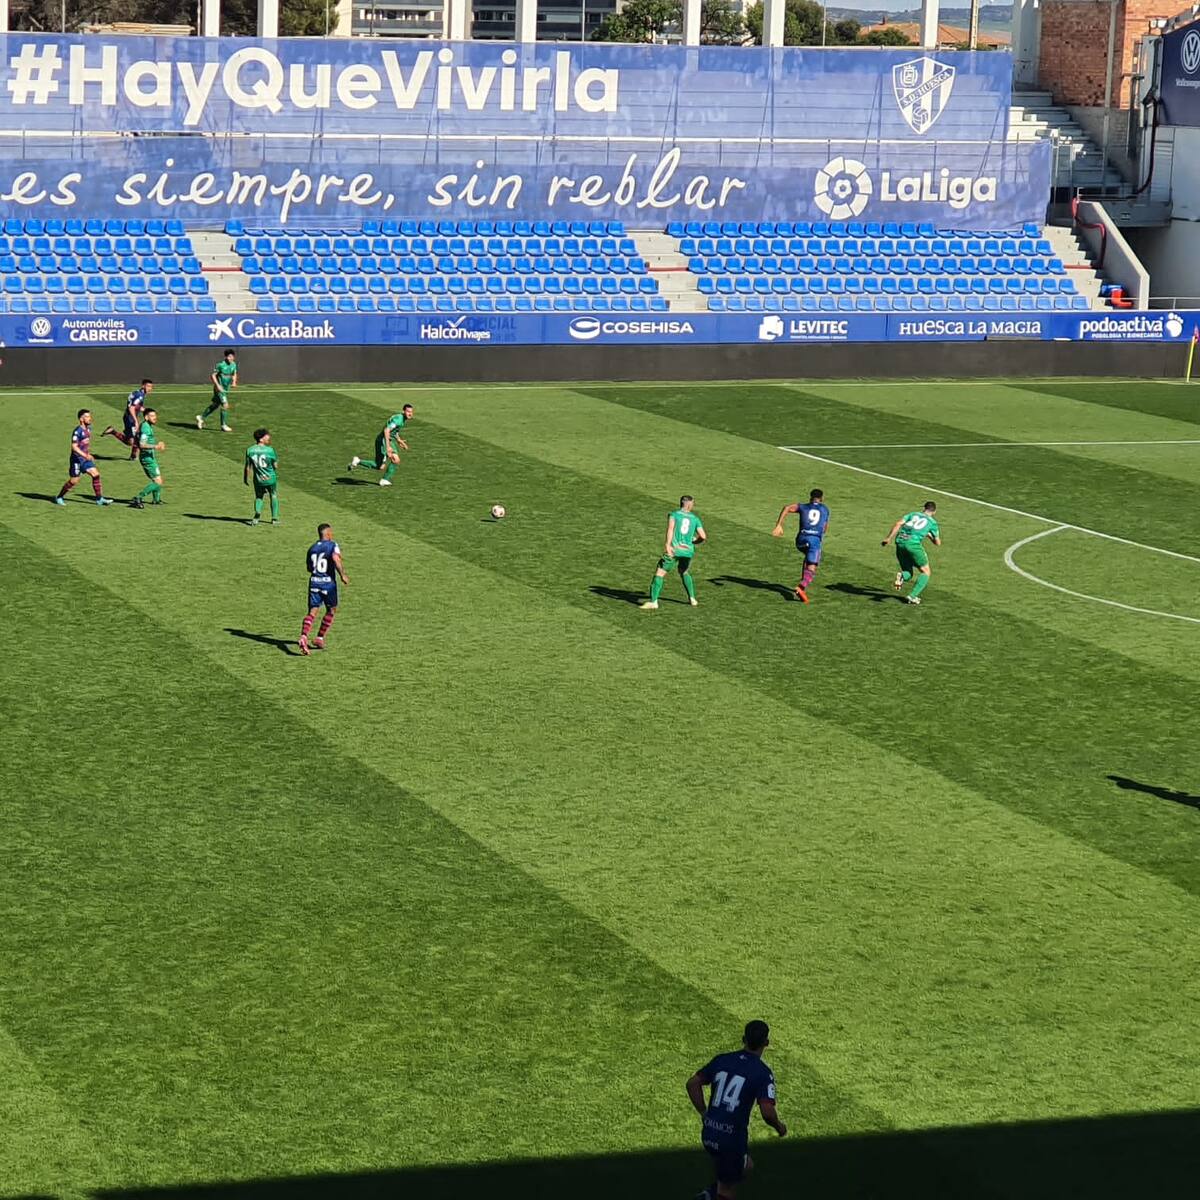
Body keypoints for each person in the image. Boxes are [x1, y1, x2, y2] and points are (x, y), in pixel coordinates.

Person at [686, 1020, 787, 1200]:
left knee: (746, 1166)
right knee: (727, 1190)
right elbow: (767, 1112)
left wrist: (704, 1113)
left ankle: (709, 1195)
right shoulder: (762, 1072)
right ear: (767, 1043)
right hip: (731, 1139)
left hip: (709, 1132)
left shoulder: (722, 1059)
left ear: (743, 1039)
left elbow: (692, 1084)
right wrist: (779, 1127)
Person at [640, 494, 706, 610]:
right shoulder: (695, 519)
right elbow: (703, 536)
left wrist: (667, 545)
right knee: (684, 571)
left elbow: (670, 529)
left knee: (660, 573)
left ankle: (654, 602)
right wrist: (694, 542)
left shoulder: (674, 515)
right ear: (689, 505)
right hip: (688, 552)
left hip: (675, 550)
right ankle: (692, 598)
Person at [771, 488, 830, 603]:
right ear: (822, 498)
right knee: (812, 566)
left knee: (807, 556)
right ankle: (801, 587)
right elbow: (824, 529)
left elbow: (786, 507)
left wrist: (779, 525)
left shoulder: (803, 506)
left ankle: (803, 586)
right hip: (814, 541)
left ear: (810, 497)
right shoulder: (825, 509)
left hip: (800, 541)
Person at [300, 523, 349, 656]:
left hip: (314, 582)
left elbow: (309, 569)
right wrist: (342, 575)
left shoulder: (312, 548)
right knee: (331, 609)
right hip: (328, 584)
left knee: (312, 611)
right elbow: (335, 559)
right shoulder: (332, 545)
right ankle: (319, 637)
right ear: (327, 533)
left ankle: (304, 636)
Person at [882, 501, 941, 605]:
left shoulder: (912, 514)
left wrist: (888, 538)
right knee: (926, 571)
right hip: (913, 545)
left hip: (900, 542)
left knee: (908, 572)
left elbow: (898, 523)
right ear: (934, 511)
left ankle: (902, 576)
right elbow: (937, 543)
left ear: (924, 508)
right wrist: (929, 535)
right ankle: (912, 596)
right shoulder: (932, 523)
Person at [55, 409, 113, 507]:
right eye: (87, 416)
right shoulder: (77, 431)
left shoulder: (89, 429)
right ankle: (59, 497)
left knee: (96, 475)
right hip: (76, 460)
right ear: (81, 419)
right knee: (74, 481)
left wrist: (87, 455)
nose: (90, 418)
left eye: (90, 416)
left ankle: (99, 499)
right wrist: (86, 455)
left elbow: (84, 444)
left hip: (85, 459)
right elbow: (74, 447)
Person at [349, 404, 413, 487]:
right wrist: (388, 447)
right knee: (395, 460)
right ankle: (384, 480)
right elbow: (386, 430)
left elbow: (395, 430)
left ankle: (358, 461)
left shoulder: (402, 419)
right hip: (383, 440)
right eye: (408, 411)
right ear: (403, 411)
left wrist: (399, 440)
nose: (410, 414)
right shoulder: (398, 419)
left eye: (411, 412)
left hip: (388, 440)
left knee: (380, 466)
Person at [100, 379, 153, 460]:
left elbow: (133, 404)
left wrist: (141, 409)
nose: (150, 388)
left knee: (132, 439)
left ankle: (113, 432)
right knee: (134, 439)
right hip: (130, 418)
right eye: (148, 386)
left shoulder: (136, 392)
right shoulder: (140, 395)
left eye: (151, 387)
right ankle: (133, 455)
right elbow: (131, 407)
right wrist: (135, 420)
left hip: (128, 417)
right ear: (143, 386)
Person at [130, 408, 165, 509]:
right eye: (152, 416)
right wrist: (156, 446)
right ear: (146, 417)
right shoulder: (145, 427)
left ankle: (156, 500)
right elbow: (142, 444)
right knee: (158, 481)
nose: (155, 418)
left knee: (158, 478)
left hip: (150, 457)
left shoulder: (147, 425)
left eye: (155, 415)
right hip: (147, 459)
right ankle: (138, 498)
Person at [244, 428, 279, 526]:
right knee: (273, 495)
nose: (269, 437)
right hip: (270, 478)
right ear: (261, 439)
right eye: (266, 436)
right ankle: (274, 518)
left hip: (258, 479)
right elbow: (275, 466)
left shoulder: (250, 450)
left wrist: (245, 479)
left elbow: (247, 467)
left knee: (259, 497)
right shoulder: (270, 450)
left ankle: (257, 515)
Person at [197, 350, 238, 431]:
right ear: (226, 357)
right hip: (219, 388)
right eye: (229, 356)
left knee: (215, 405)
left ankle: (201, 418)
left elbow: (234, 373)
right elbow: (213, 375)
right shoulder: (220, 365)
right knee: (225, 405)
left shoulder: (233, 364)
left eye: (232, 356)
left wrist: (234, 382)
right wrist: (217, 385)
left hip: (225, 388)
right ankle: (223, 425)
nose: (231, 358)